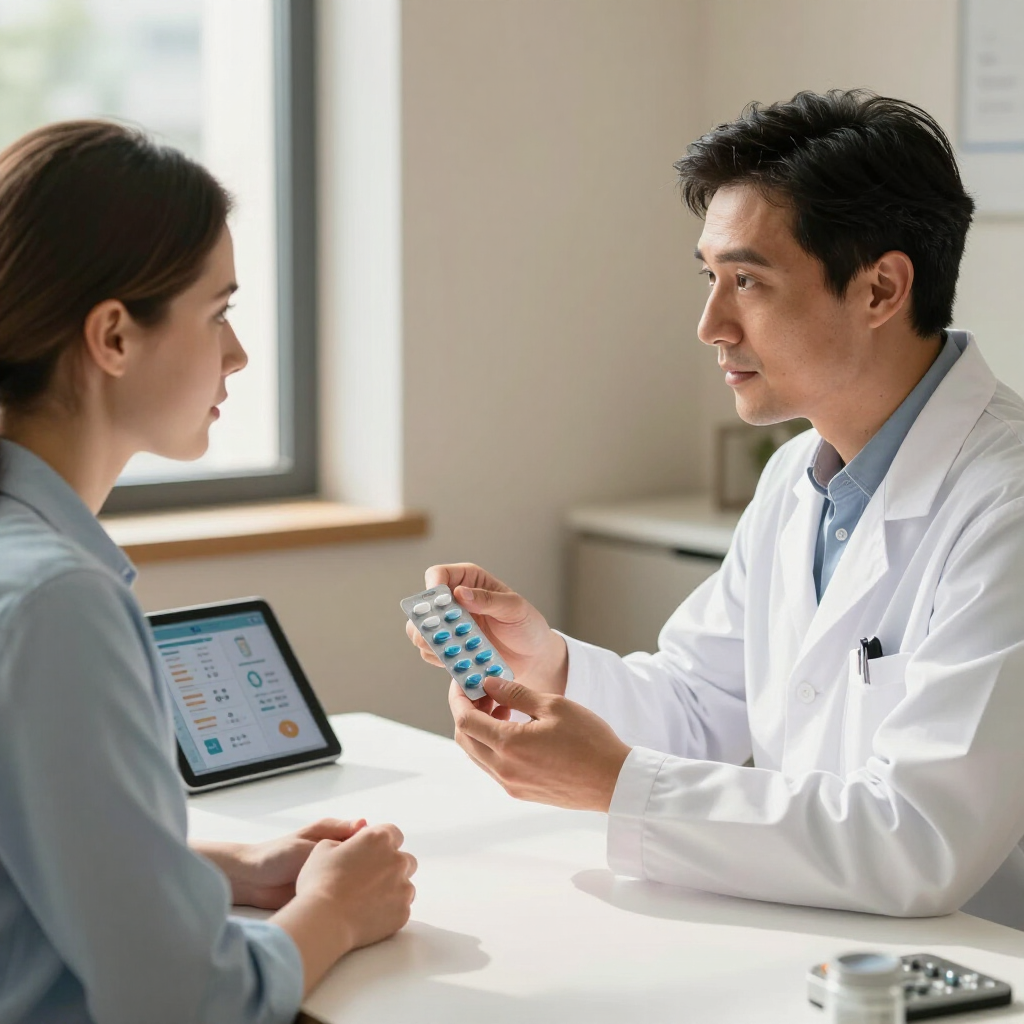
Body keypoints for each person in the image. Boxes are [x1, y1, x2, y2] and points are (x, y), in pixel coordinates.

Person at [407, 89, 1024, 929]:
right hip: (815, 933)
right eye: (709, 278)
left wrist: (616, 785)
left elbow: (918, 840)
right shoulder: (797, 479)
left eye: (747, 281)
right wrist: (546, 663)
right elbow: (699, 704)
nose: (709, 324)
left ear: (881, 288)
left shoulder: (1005, 506)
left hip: (980, 966)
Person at [0, 121, 416, 1024]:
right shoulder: (55, 602)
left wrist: (226, 869)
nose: (238, 355)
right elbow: (180, 999)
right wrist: (335, 914)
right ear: (113, 335)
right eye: (219, 312)